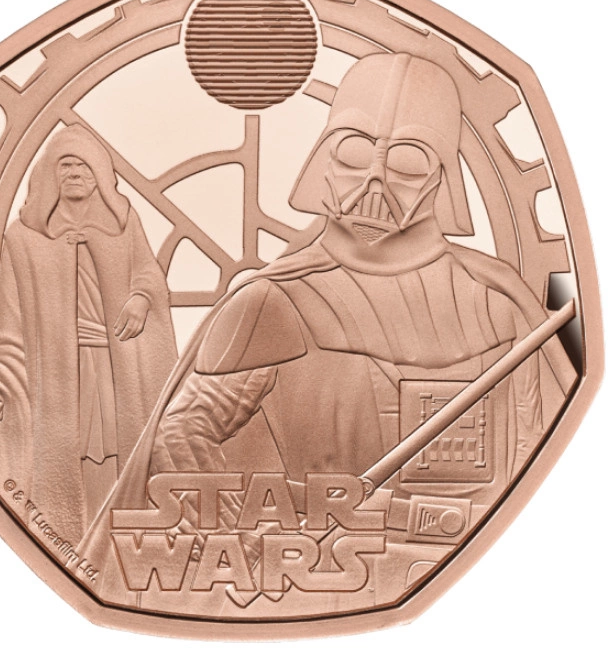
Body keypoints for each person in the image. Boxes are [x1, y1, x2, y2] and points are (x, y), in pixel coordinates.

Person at [78, 54, 576, 611]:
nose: (375, 182)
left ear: (442, 176)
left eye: (407, 161)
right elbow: (182, 436)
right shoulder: (274, 300)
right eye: (354, 154)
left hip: (480, 585)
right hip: (325, 577)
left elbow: (549, 450)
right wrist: (259, 541)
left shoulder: (500, 300)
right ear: (325, 161)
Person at [0, 124, 177, 545]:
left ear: (100, 174)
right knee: (71, 449)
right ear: (51, 174)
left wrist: (141, 299)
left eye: (83, 166)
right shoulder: (24, 239)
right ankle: (76, 536)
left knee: (119, 446)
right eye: (65, 165)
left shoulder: (122, 225)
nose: (74, 174)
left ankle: (123, 534)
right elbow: (9, 323)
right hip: (58, 375)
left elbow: (148, 275)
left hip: (116, 365)